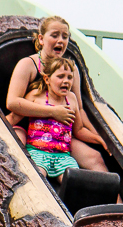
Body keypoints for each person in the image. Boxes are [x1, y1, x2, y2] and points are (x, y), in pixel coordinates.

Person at [6, 16, 110, 173]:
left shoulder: (71, 70)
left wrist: (99, 136)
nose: (60, 40)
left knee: (95, 158)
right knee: (17, 149)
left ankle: (112, 191)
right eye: (54, 35)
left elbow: (79, 110)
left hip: (58, 134)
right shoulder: (28, 65)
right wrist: (53, 111)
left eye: (65, 36)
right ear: (41, 39)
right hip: (28, 130)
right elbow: (12, 103)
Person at [8, 58, 95, 183]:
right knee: (38, 178)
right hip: (37, 152)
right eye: (60, 76)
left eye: (70, 77)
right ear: (47, 79)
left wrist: (100, 140)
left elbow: (79, 130)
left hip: (63, 156)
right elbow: (14, 117)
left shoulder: (72, 99)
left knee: (74, 181)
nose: (66, 81)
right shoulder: (35, 95)